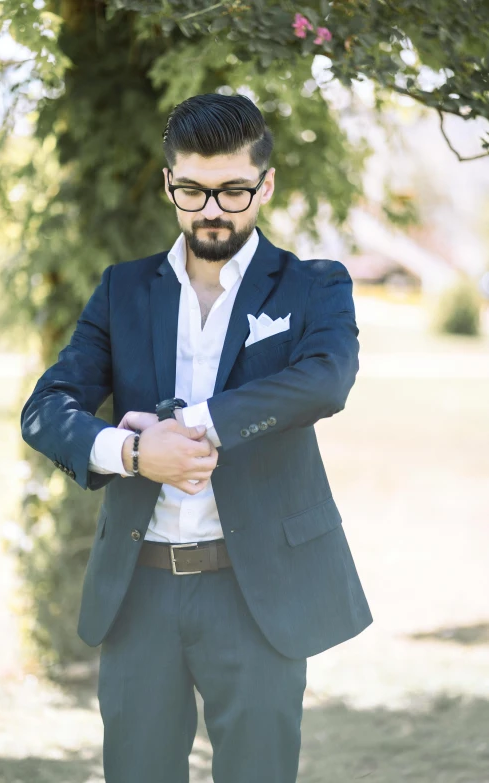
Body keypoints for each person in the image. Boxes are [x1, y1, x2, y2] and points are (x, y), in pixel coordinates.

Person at [21, 92, 373, 783]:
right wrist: (130, 452)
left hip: (258, 592)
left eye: (234, 190)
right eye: (193, 190)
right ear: (169, 184)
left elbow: (327, 379)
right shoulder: (122, 290)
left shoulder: (313, 286)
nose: (212, 209)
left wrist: (196, 424)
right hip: (139, 593)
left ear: (265, 184)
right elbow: (46, 408)